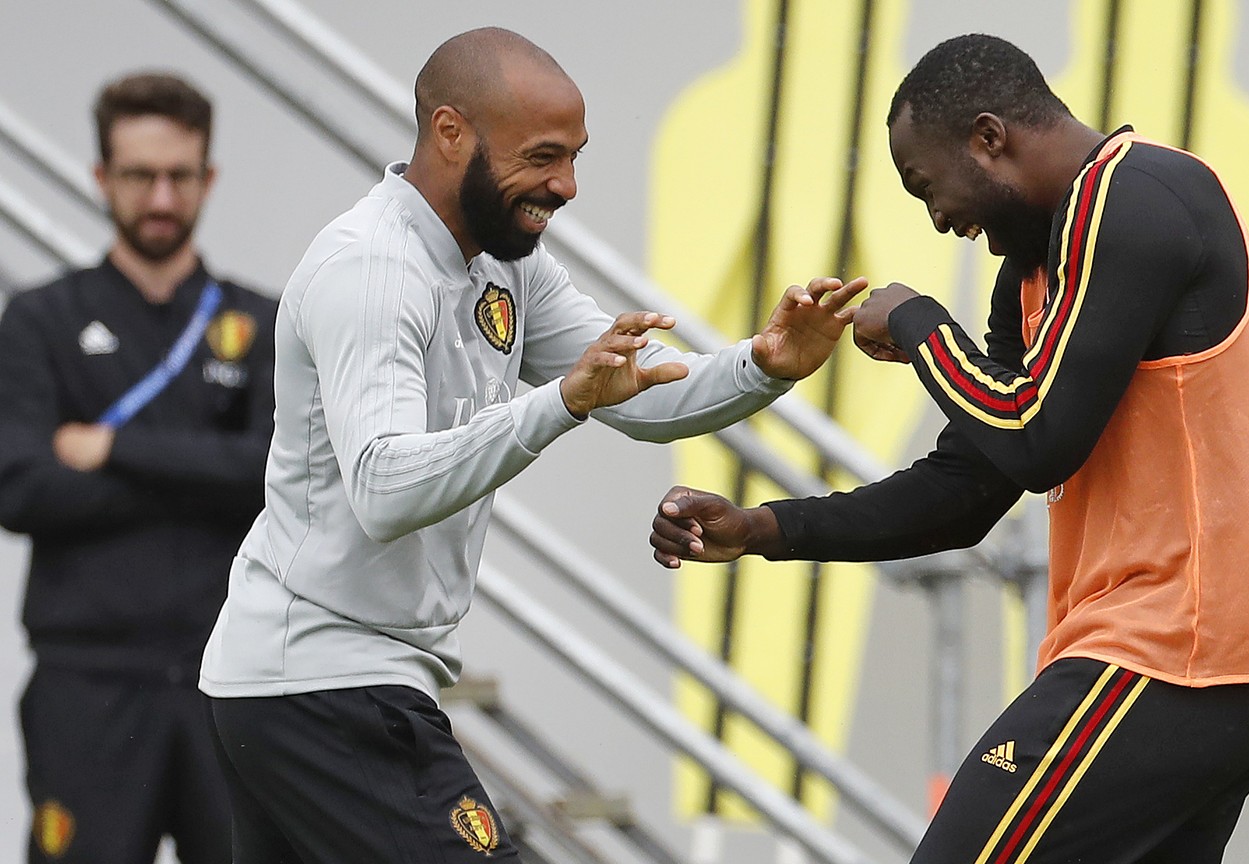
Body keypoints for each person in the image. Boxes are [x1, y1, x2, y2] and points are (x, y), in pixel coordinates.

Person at [197, 26, 865, 862]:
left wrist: (762, 365)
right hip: (324, 681)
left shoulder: (500, 259)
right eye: (544, 157)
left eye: (576, 156)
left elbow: (636, 386)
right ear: (450, 133)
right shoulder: (373, 271)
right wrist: (557, 404)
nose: (567, 185)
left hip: (308, 683)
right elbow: (384, 490)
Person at [650, 33, 1249, 864]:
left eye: (926, 186)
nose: (938, 220)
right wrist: (763, 529)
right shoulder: (1042, 262)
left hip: (1169, 656)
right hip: (1205, 671)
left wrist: (918, 323)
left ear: (989, 136)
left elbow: (1038, 440)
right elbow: (970, 487)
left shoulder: (1138, 194)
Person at [0, 72, 276, 864]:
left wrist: (114, 448)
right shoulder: (39, 320)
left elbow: (275, 478)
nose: (160, 197)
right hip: (87, 682)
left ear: (208, 179)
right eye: (138, 176)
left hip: (228, 681)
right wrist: (205, 473)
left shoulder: (258, 322)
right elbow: (21, 488)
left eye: (179, 176)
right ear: (100, 178)